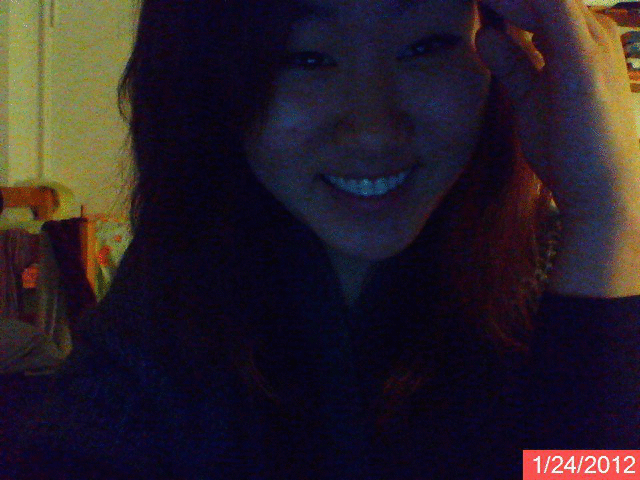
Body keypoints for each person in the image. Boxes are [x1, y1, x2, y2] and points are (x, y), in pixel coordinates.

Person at [4, 0, 640, 478]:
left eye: (426, 46)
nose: (373, 130)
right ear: (203, 81)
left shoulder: (568, 276)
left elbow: (588, 467)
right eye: (303, 57)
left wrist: (606, 217)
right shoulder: (166, 298)